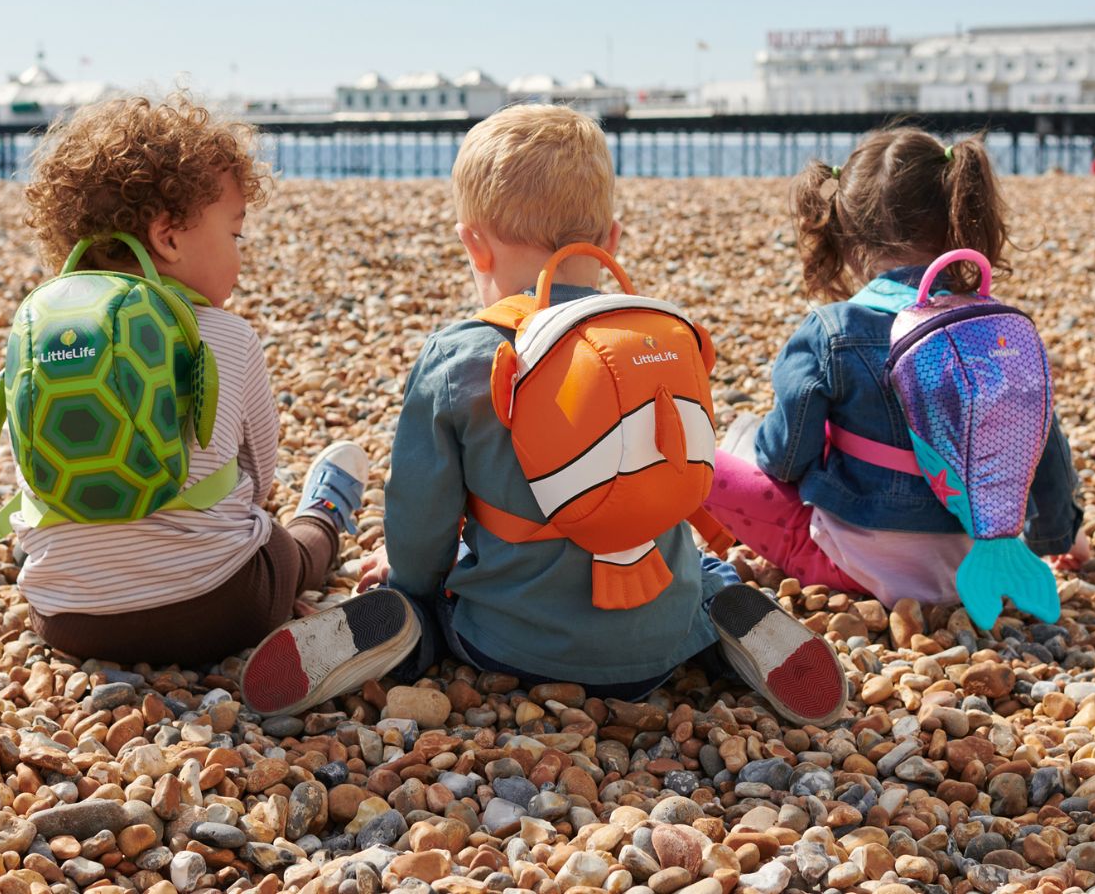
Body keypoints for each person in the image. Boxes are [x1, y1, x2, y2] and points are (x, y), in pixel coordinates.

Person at [241, 104, 848, 726]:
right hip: (663, 646)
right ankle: (717, 611)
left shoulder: (461, 356)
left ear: (473, 246)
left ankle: (412, 628)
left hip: (508, 643)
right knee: (697, 566)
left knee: (436, 604)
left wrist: (414, 576)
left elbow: (421, 515)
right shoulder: (657, 336)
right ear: (611, 239)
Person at [14, 95, 370, 665]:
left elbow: (29, 475)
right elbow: (259, 473)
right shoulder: (225, 334)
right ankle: (326, 514)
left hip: (68, 620)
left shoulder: (39, 337)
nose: (239, 257)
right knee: (288, 549)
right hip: (221, 607)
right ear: (170, 237)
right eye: (236, 236)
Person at [702, 128, 1085, 610]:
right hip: (975, 563)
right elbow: (1040, 443)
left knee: (700, 458)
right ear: (957, 218)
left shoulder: (833, 329)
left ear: (849, 233)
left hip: (855, 567)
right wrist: (1058, 534)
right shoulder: (996, 333)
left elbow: (783, 460)